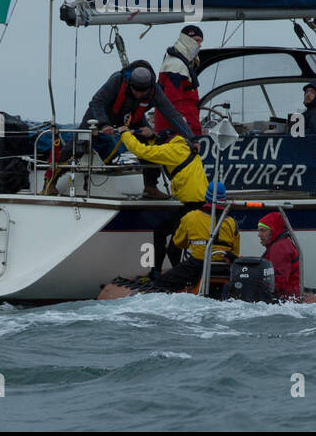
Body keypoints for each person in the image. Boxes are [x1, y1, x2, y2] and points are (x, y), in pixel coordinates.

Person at [83, 60, 194, 198]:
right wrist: (104, 124)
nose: (139, 95)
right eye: (136, 91)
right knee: (78, 140)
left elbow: (171, 114)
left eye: (143, 92)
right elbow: (96, 101)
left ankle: (150, 186)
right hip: (102, 115)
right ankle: (52, 179)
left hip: (133, 117)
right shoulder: (117, 81)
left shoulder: (154, 90)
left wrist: (192, 138)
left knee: (151, 142)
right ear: (130, 84)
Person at [116, 126, 207, 273]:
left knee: (172, 248)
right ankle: (157, 273)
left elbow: (142, 151)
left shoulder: (172, 150)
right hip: (195, 204)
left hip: (193, 206)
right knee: (161, 234)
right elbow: (156, 149)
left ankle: (180, 280)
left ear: (166, 142)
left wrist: (125, 133)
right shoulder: (184, 147)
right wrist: (151, 136)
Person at [149, 181, 238, 293]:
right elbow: (235, 252)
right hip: (223, 270)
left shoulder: (191, 217)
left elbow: (178, 243)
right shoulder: (232, 223)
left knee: (159, 285)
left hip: (196, 266)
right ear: (224, 199)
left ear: (206, 197)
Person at [158, 25, 204, 136]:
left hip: (187, 128)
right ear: (187, 40)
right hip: (178, 132)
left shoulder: (183, 64)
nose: (199, 45)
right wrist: (184, 130)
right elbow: (173, 103)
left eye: (200, 41)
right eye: (197, 40)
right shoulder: (176, 66)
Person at [257, 211, 301, 300]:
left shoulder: (280, 248)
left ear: (273, 230)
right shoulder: (280, 244)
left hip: (285, 299)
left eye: (263, 230)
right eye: (259, 230)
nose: (259, 235)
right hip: (288, 296)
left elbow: (279, 282)